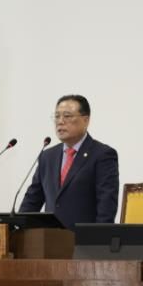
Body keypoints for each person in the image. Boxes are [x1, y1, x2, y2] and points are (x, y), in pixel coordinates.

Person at [19, 94, 119, 229]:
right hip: (50, 238)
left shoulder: (102, 155)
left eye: (67, 116)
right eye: (57, 116)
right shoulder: (47, 156)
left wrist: (97, 238)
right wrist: (18, 227)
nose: (60, 122)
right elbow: (32, 200)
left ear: (86, 120)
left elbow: (106, 205)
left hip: (83, 238)